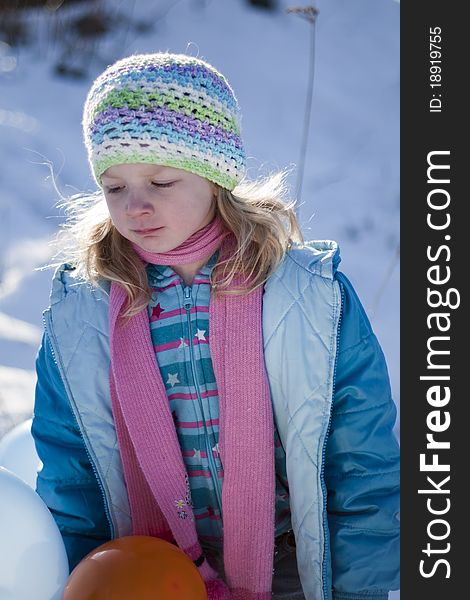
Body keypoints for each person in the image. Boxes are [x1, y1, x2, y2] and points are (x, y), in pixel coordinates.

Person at [31, 52, 400, 600]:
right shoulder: (82, 312)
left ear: (215, 175)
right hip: (146, 577)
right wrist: (77, 578)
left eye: (160, 181)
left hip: (291, 572)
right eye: (114, 187)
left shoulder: (304, 296)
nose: (135, 207)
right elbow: (72, 473)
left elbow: (361, 462)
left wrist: (358, 590)